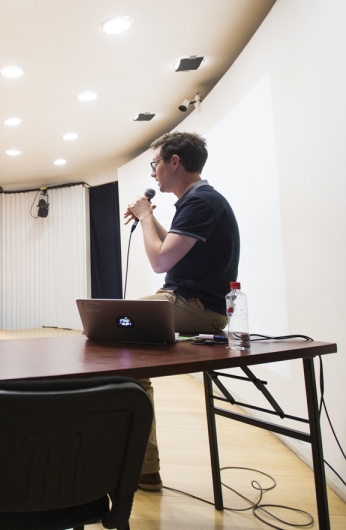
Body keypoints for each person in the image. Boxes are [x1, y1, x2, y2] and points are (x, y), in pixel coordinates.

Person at [123, 131, 240, 492]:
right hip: (188, 302)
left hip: (197, 308)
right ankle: (142, 466)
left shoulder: (201, 202)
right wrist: (150, 220)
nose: (153, 173)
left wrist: (144, 217)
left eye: (155, 163)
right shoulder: (198, 200)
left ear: (176, 162)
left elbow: (160, 260)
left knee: (112, 325)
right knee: (122, 345)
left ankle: (142, 464)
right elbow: (171, 247)